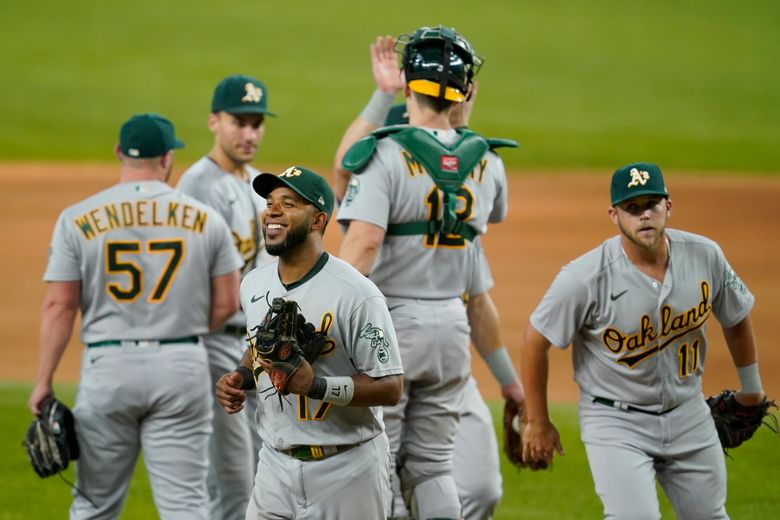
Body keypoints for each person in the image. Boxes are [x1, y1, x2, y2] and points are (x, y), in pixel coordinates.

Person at [333, 35, 523, 520]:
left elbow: (365, 244)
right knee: (434, 466)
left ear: (407, 89)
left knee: (379, 459)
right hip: (451, 333)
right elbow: (477, 197)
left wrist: (325, 312)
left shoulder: (385, 154)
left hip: (393, 326)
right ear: (464, 91)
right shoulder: (489, 160)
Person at [521, 162, 768, 519]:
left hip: (688, 412)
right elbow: (535, 339)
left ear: (668, 206)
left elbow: (736, 315)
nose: (644, 216)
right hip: (616, 421)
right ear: (614, 215)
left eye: (651, 204)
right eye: (632, 208)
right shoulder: (584, 277)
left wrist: (752, 388)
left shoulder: (705, 255)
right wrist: (538, 421)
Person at [27, 113, 242, 519]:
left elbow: (60, 305)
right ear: (167, 158)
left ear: (119, 154)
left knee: (94, 506)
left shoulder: (77, 218)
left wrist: (43, 381)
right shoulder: (206, 219)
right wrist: (186, 330)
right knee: (187, 507)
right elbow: (228, 301)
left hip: (108, 367)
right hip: (181, 365)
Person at [214, 166, 404, 518]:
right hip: (273, 465)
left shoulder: (357, 295)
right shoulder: (253, 284)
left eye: (288, 203)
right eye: (270, 202)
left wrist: (315, 386)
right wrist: (240, 377)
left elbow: (391, 387)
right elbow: (260, 345)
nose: (272, 210)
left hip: (347, 469)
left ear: (318, 220)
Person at [177, 73, 273, 519]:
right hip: (216, 344)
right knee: (232, 483)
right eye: (240, 122)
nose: (249, 133)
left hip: (258, 347)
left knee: (264, 476)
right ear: (214, 121)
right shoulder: (198, 187)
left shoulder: (258, 183)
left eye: (257, 123)